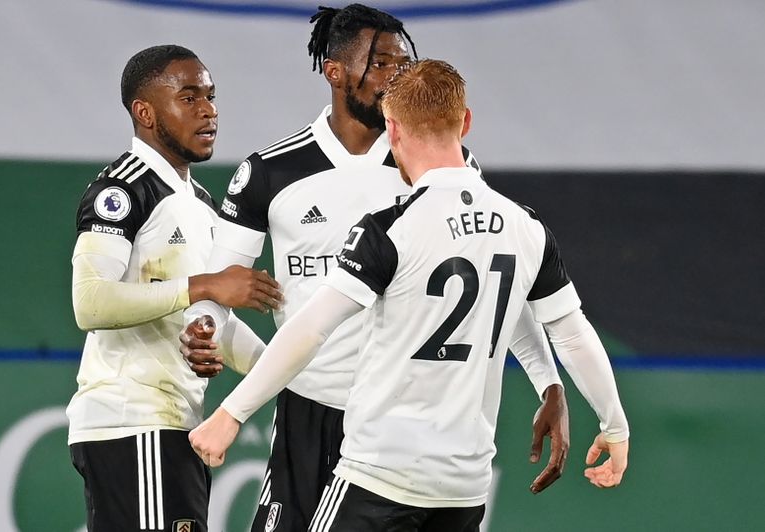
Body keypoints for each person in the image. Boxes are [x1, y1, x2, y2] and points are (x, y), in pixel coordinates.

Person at [188, 58, 631, 532]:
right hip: (464, 486)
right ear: (465, 122)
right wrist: (615, 425)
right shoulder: (525, 227)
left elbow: (312, 327)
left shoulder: (390, 229)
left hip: (380, 473)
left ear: (393, 129)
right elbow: (574, 335)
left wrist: (231, 414)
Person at [66, 45, 282, 532]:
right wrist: (208, 284)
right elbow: (90, 302)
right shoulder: (121, 190)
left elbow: (208, 323)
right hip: (133, 425)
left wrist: (287, 375)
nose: (208, 110)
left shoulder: (201, 203)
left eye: (210, 96)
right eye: (188, 98)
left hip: (176, 427)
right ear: (144, 112)